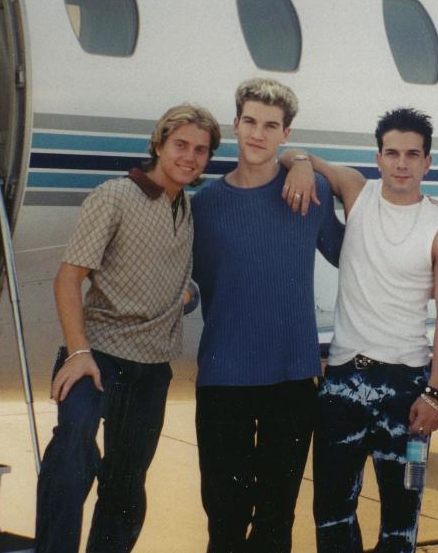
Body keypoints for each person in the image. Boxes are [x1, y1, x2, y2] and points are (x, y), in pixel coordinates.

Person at [35, 102, 220, 553]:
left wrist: (186, 294)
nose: (190, 157)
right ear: (158, 144)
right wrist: (79, 354)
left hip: (152, 367)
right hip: (98, 357)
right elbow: (68, 277)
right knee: (72, 457)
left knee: (126, 483)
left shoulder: (187, 209)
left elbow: (171, 273)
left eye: (201, 150)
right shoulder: (115, 195)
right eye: (181, 145)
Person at [279, 107, 438, 552]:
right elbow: (290, 154)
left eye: (412, 154)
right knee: (331, 513)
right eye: (392, 153)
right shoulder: (357, 192)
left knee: (400, 522)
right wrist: (304, 164)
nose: (401, 163)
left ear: (427, 162)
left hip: (406, 388)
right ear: (378, 157)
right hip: (343, 380)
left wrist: (435, 392)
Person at [190, 78, 344, 552]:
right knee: (225, 518)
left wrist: (304, 164)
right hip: (223, 379)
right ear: (235, 124)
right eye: (250, 122)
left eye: (271, 125)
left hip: (291, 379)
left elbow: (350, 255)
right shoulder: (205, 205)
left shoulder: (309, 191)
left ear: (286, 133)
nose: (258, 134)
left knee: (277, 520)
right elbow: (191, 287)